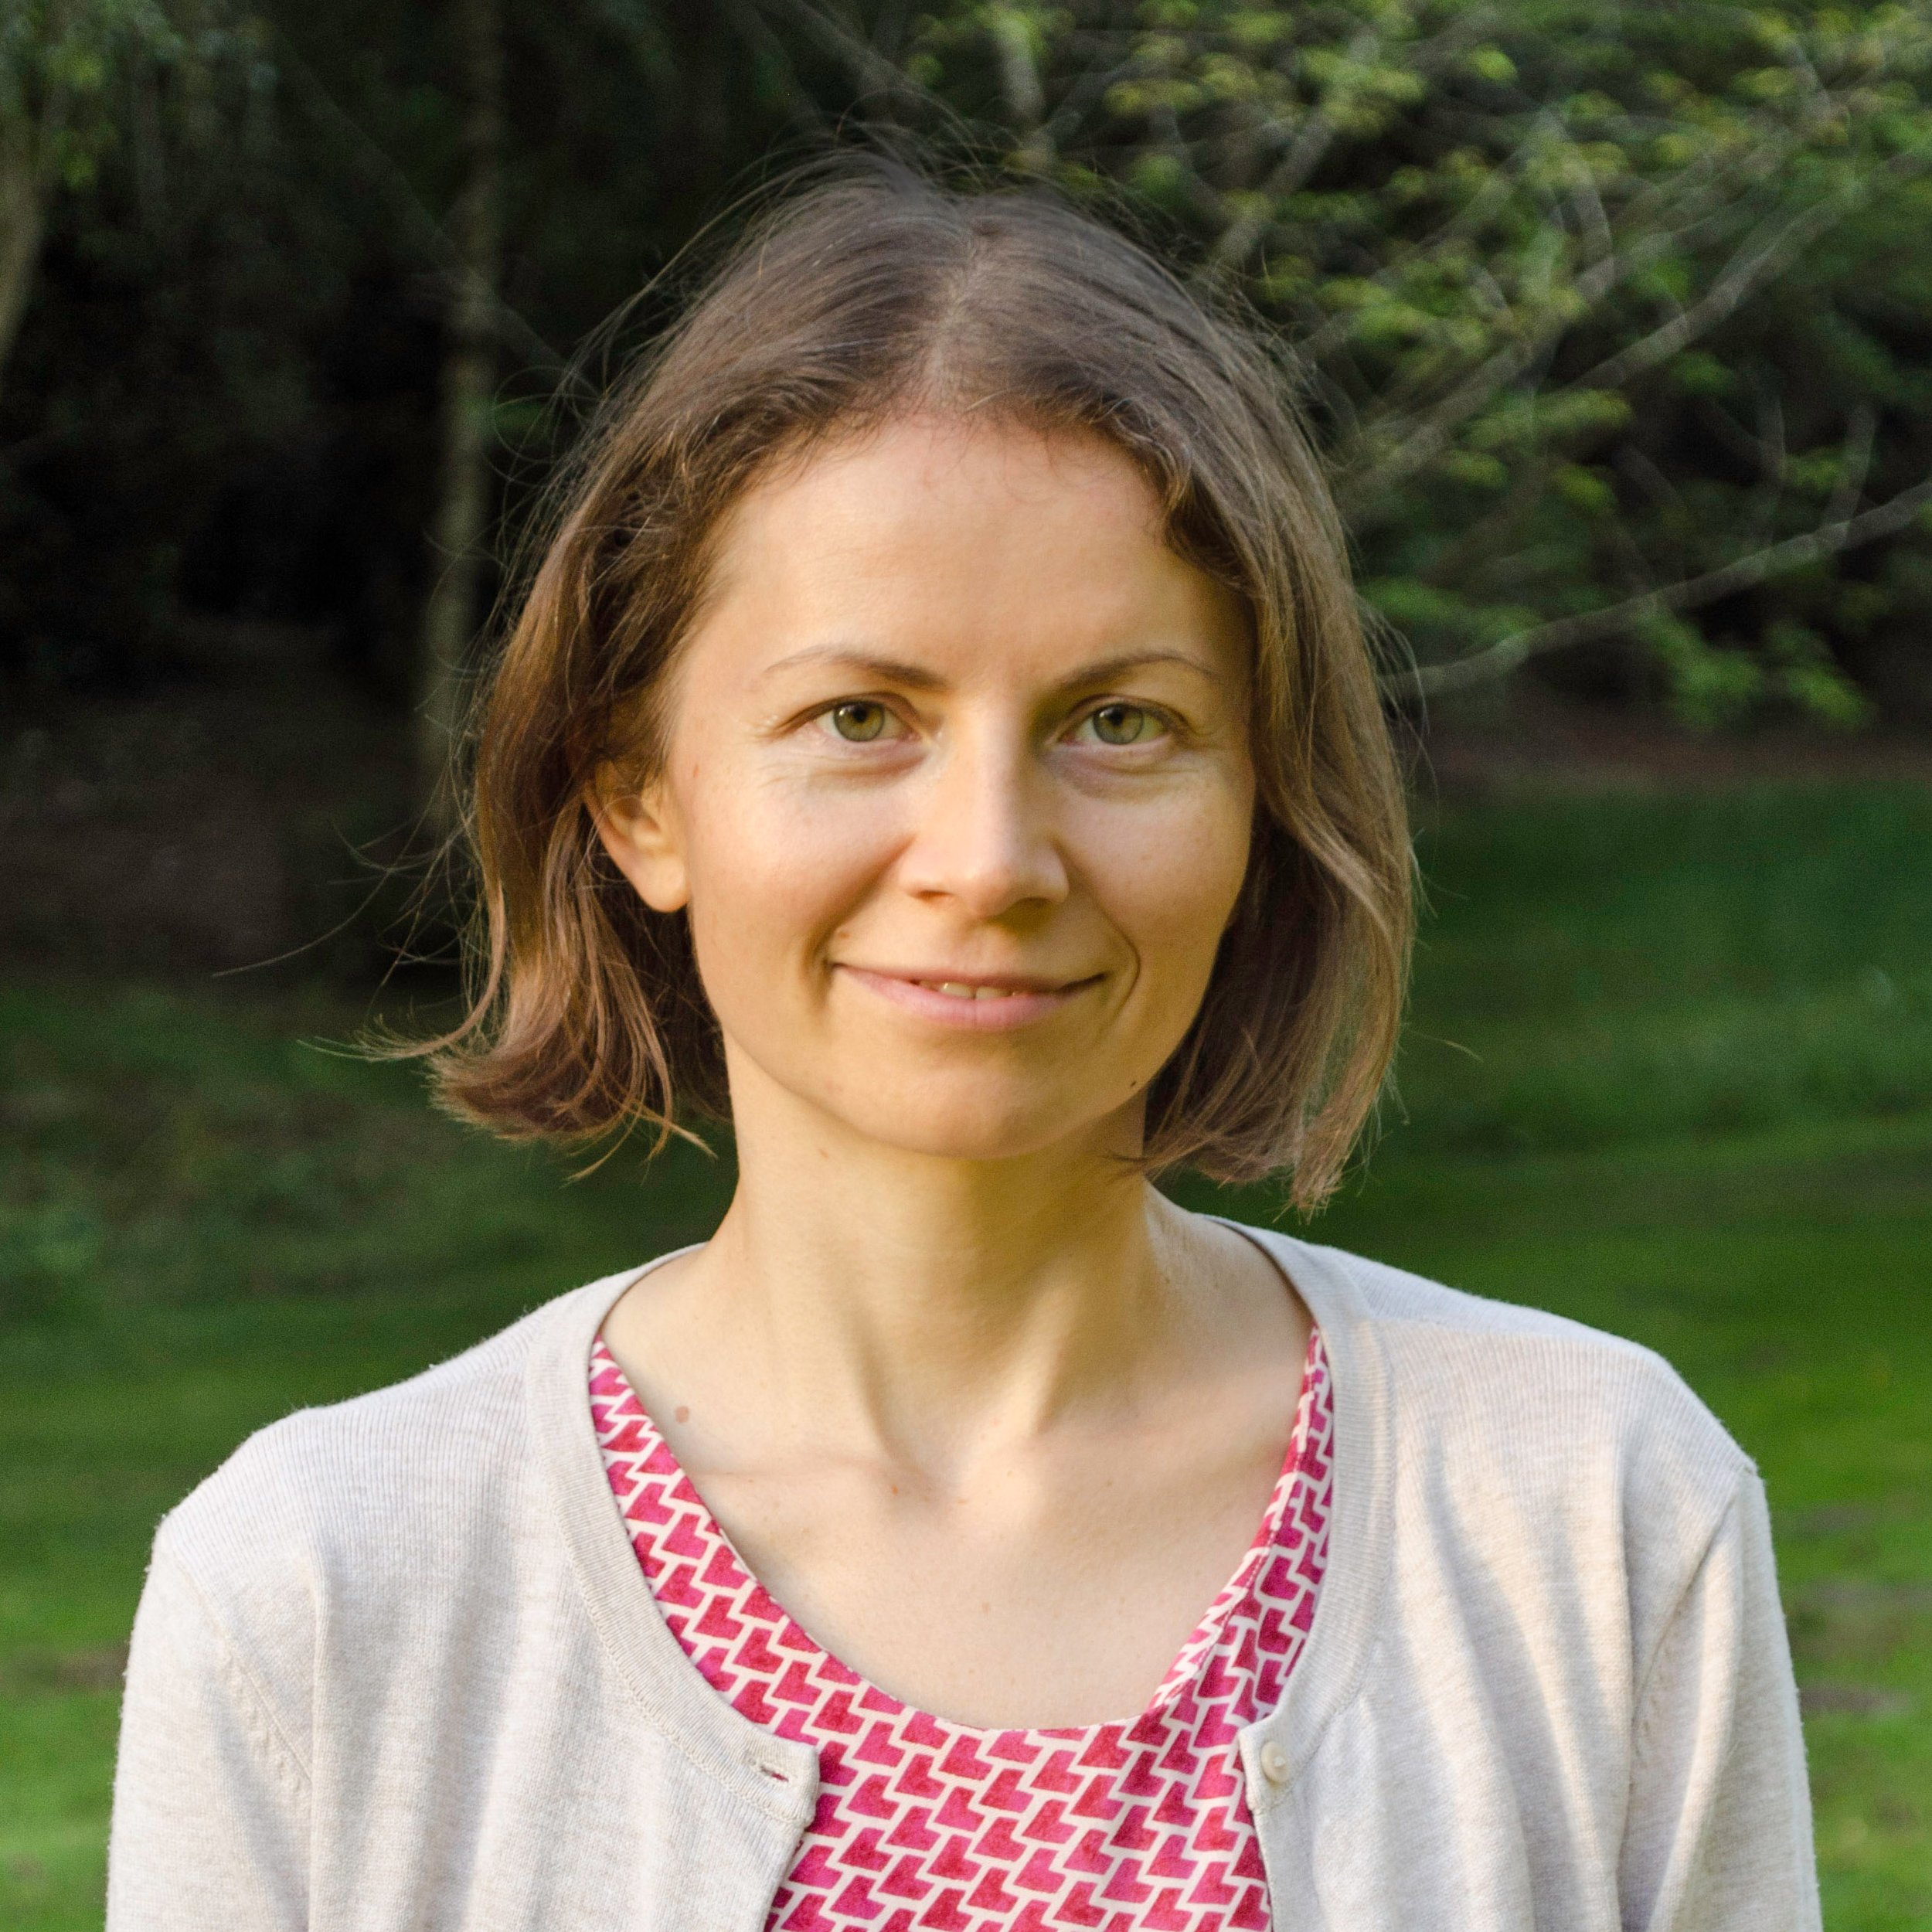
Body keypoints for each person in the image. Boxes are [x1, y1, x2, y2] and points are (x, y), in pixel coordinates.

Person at [107, 162, 1819, 1931]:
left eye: (1119, 721)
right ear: (636, 795)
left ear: (1259, 794)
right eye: (860, 717)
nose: (990, 859)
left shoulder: (1594, 1511)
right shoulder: (317, 1587)